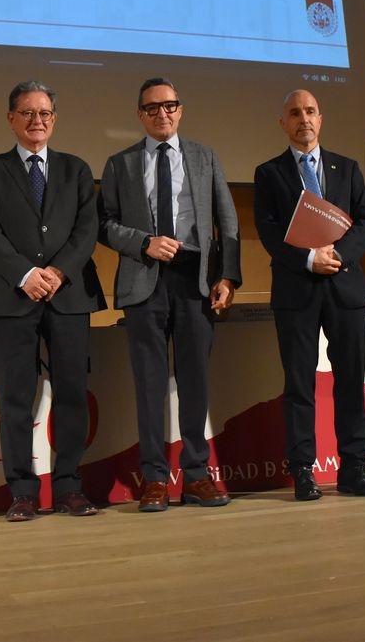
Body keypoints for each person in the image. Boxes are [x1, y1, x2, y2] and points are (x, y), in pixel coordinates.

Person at [98, 76, 241, 512]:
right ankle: (155, 478)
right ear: (140, 115)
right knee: (149, 385)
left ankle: (196, 476)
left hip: (195, 281)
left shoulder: (205, 157)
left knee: (195, 381)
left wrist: (227, 277)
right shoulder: (120, 163)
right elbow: (104, 224)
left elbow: (228, 223)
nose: (163, 113)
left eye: (170, 105)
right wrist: (144, 242)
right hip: (145, 282)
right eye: (153, 107)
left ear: (180, 110)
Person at [0, 80, 106, 522]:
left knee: (71, 394)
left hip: (68, 295)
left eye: (45, 113)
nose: (38, 121)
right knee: (15, 397)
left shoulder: (76, 169)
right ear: (11, 118)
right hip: (14, 298)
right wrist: (26, 274)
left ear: (55, 119)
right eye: (28, 113)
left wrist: (58, 271)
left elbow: (86, 230)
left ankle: (69, 487)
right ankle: (22, 492)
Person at [253, 89, 365, 501]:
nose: (303, 118)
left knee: (348, 383)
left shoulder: (348, 168)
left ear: (320, 119)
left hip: (345, 289)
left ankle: (354, 468)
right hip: (297, 291)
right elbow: (270, 232)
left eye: (309, 111)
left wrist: (337, 255)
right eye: (294, 113)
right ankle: (303, 472)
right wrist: (309, 259)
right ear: (282, 124)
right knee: (299, 385)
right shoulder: (268, 173)